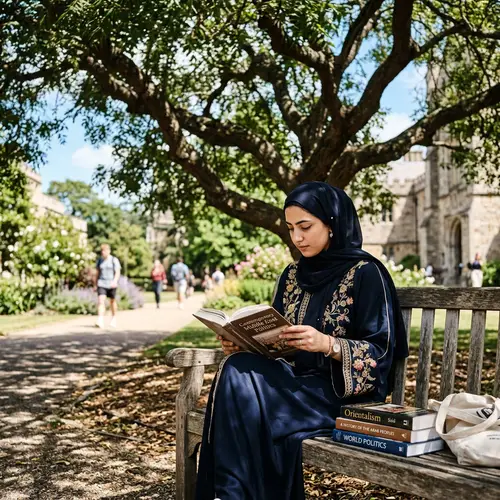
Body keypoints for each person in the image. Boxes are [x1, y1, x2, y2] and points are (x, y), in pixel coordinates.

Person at [195, 182, 409, 500]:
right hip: (294, 385)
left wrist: (328, 344)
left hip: (340, 395)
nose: (297, 238)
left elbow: (382, 354)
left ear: (333, 224)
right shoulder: (293, 275)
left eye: (305, 227)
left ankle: (231, 493)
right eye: (292, 228)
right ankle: (230, 493)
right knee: (237, 365)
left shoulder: (367, 273)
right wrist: (245, 343)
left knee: (243, 397)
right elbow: (278, 338)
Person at [94, 243, 121, 328]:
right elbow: (97, 273)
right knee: (101, 300)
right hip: (102, 283)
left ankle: (113, 318)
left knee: (112, 301)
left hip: (111, 283)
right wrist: (95, 284)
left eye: (105, 250)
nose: (103, 252)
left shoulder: (114, 260)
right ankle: (100, 319)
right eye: (102, 251)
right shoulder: (99, 261)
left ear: (108, 251)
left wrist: (115, 281)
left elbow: (117, 272)